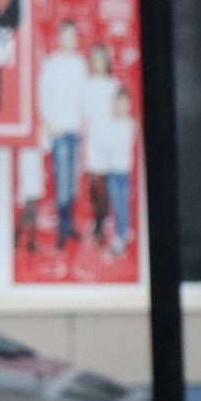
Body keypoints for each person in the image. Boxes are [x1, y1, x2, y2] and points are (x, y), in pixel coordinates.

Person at [38, 22, 87, 251]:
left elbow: (84, 97)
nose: (70, 40)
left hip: (75, 131)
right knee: (62, 183)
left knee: (72, 182)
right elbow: (44, 95)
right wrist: (50, 123)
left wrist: (84, 123)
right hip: (59, 131)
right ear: (59, 37)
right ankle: (61, 230)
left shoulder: (80, 64)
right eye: (66, 36)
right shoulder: (52, 63)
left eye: (73, 36)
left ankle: (69, 226)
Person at [81, 44, 120, 248]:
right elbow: (84, 113)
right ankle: (98, 219)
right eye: (94, 59)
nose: (98, 63)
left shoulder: (113, 85)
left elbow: (118, 113)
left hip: (109, 139)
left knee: (104, 184)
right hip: (92, 139)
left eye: (101, 58)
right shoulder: (87, 85)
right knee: (94, 183)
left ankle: (101, 224)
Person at [91, 87, 137, 258]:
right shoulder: (111, 124)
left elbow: (117, 146)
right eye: (117, 104)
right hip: (112, 171)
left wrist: (108, 145)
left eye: (123, 104)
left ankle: (121, 236)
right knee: (115, 204)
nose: (120, 107)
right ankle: (121, 232)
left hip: (122, 172)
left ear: (129, 105)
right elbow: (104, 145)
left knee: (121, 204)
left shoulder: (128, 124)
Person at [15, 141, 46, 256]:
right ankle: (27, 240)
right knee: (29, 209)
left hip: (34, 174)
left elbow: (45, 146)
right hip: (25, 174)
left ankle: (23, 239)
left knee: (31, 209)